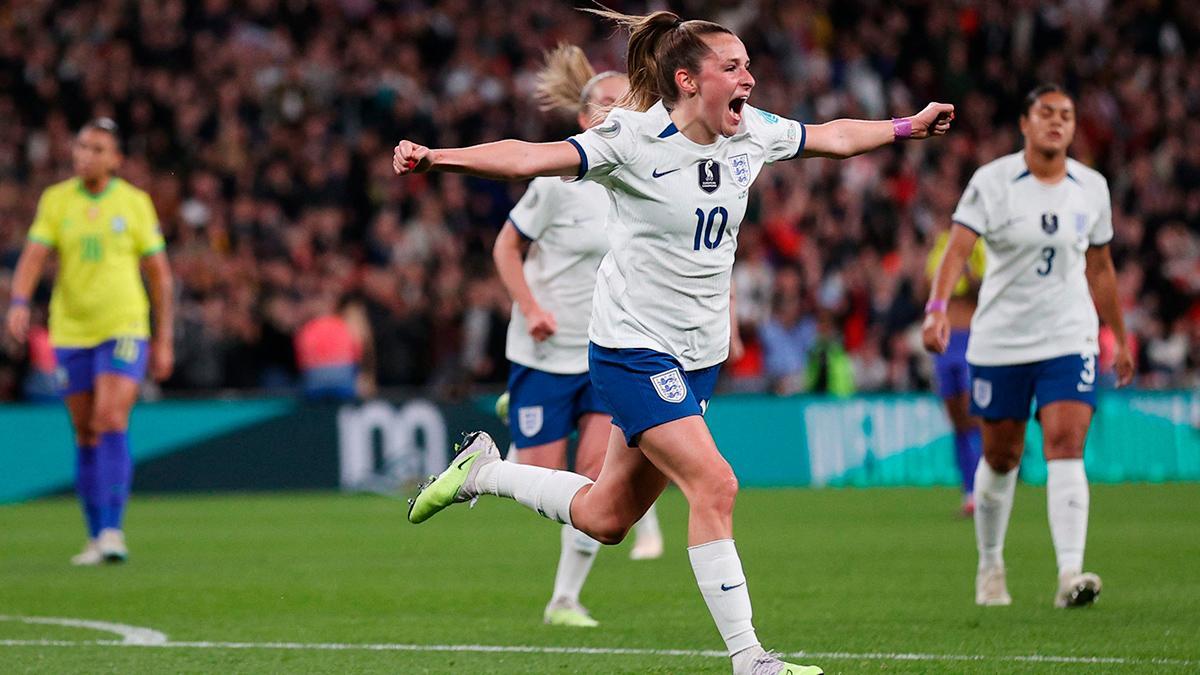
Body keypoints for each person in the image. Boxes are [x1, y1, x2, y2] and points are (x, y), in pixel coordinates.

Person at [400, 9, 952, 674]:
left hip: (699, 355)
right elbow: (529, 157)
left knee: (607, 517)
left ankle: (482, 471)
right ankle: (750, 657)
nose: (750, 77)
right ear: (688, 80)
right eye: (735, 67)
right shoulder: (632, 139)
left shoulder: (752, 131)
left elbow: (831, 136)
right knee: (714, 483)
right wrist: (438, 157)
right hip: (633, 347)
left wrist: (906, 126)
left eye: (749, 65)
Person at [922, 84, 1133, 609]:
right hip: (1001, 341)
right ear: (1025, 123)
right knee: (1002, 454)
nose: (1057, 122)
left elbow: (1101, 268)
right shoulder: (993, 183)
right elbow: (958, 250)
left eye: (1066, 114)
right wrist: (937, 308)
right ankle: (990, 565)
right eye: (1046, 113)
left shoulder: (1092, 187)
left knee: (1065, 444)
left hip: (1069, 335)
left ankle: (1069, 575)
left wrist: (1120, 337)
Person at [491, 44, 662, 628]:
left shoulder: (645, 175)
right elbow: (506, 246)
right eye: (608, 104)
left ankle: (564, 598)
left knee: (596, 479)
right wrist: (530, 305)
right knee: (538, 478)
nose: (621, 112)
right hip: (543, 349)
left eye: (629, 102)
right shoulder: (557, 181)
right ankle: (507, 445)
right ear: (586, 121)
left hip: (605, 350)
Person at [5, 118, 174, 565]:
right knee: (84, 430)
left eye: (97, 149)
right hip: (71, 329)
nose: (85, 155)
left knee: (110, 417)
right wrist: (20, 300)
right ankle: (96, 535)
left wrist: (165, 338)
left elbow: (160, 276)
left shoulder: (134, 203)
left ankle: (114, 530)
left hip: (124, 326)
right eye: (81, 146)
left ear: (115, 159)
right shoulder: (56, 200)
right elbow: (34, 256)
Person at [923, 229, 986, 515]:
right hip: (945, 341)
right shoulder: (940, 246)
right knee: (958, 420)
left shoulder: (980, 246)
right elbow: (926, 290)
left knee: (975, 415)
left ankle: (987, 486)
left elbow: (986, 289)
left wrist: (968, 271)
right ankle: (969, 490)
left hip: (972, 337)